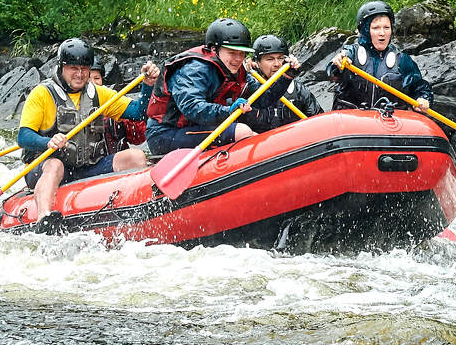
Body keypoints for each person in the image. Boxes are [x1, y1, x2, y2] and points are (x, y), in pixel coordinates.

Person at [17, 38, 161, 231]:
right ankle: (44, 219)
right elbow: (23, 137)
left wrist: (148, 86)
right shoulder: (42, 94)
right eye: (73, 68)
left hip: (87, 166)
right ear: (61, 67)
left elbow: (138, 112)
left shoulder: (99, 94)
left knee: (136, 157)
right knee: (55, 164)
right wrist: (48, 142)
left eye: (84, 69)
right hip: (46, 168)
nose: (80, 74)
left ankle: (139, 206)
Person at [144, 17, 297, 155]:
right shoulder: (194, 70)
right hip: (165, 134)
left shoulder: (237, 71)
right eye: (232, 53)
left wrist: (286, 77)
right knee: (242, 131)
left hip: (197, 128)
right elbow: (192, 108)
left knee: (252, 134)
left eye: (242, 53)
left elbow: (263, 99)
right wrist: (228, 111)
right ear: (214, 49)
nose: (238, 59)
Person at [327, 0, 433, 111]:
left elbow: (420, 88)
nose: (382, 33)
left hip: (388, 119)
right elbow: (333, 71)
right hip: (352, 118)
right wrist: (337, 64)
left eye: (386, 28)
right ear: (365, 30)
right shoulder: (351, 53)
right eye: (376, 28)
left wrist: (423, 98)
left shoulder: (402, 60)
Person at [241, 34, 323, 133]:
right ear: (257, 62)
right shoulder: (247, 90)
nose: (277, 64)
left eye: (280, 58)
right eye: (270, 59)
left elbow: (320, 122)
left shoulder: (299, 90)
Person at [89, 58, 147, 153]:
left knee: (137, 155)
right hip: (89, 159)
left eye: (97, 78)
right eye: (88, 79)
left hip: (117, 158)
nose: (93, 83)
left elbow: (138, 137)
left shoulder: (112, 100)